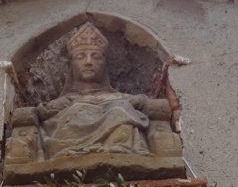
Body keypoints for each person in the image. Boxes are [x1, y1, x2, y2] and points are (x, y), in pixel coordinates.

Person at [36, 23, 152, 159]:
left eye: (96, 57)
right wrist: (51, 107)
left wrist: (142, 100)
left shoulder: (119, 99)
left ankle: (118, 147)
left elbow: (142, 104)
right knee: (76, 110)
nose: (88, 62)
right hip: (67, 145)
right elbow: (40, 114)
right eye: (80, 57)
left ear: (104, 65)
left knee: (121, 109)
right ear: (71, 65)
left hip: (118, 153)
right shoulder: (61, 103)